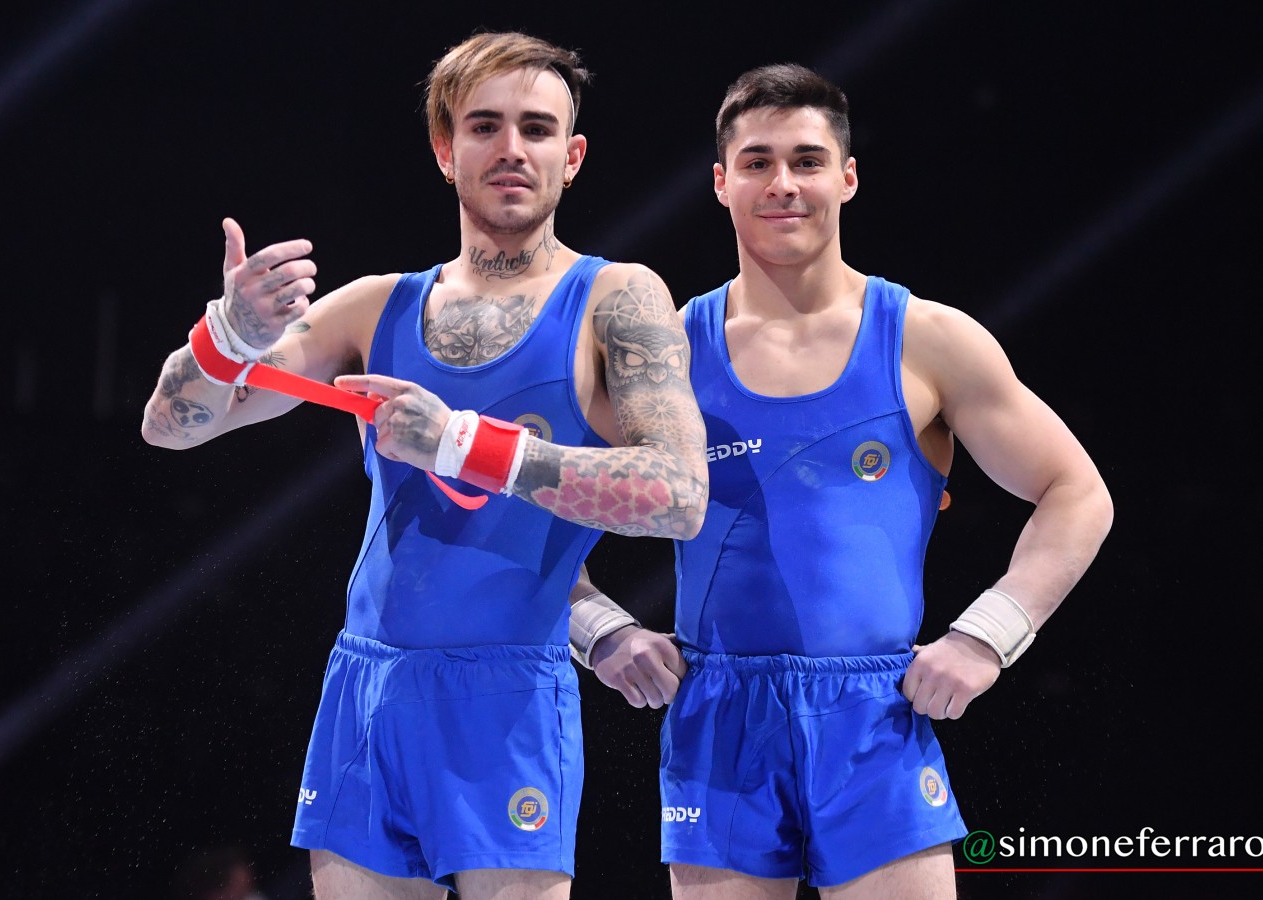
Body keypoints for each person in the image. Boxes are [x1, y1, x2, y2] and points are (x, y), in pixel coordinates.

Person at [139, 31, 708, 900]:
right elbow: (170, 427)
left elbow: (678, 495)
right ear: (446, 150)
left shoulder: (616, 298)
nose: (511, 148)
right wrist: (229, 335)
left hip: (508, 694)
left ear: (572, 156)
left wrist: (460, 444)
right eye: (484, 126)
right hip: (367, 684)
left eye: (536, 128)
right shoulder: (377, 306)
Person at [569, 63, 1114, 898]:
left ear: (847, 177)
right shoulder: (665, 357)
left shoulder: (927, 340)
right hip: (719, 718)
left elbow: (1077, 493)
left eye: (807, 160)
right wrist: (602, 631)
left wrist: (985, 637)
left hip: (874, 717)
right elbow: (525, 512)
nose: (783, 183)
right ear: (721, 183)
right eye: (757, 162)